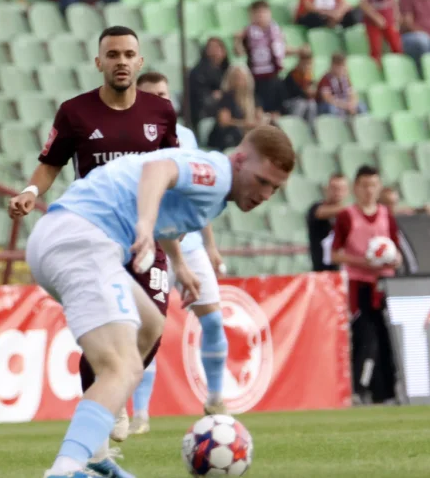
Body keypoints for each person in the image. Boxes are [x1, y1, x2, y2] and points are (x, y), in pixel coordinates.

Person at [26, 126, 293, 478]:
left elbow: (165, 203)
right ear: (241, 160)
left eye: (275, 188)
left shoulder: (215, 190)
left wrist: (179, 264)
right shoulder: (217, 173)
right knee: (121, 367)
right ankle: (65, 470)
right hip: (82, 238)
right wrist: (144, 225)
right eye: (262, 181)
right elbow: (159, 170)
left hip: (68, 235)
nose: (266, 194)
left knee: (150, 325)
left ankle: (93, 454)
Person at [7, 26, 179, 475]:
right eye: (113, 54)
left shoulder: (161, 113)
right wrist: (30, 192)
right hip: (96, 240)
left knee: (154, 326)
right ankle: (97, 445)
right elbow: (50, 165)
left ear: (140, 62)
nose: (121, 61)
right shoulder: (75, 112)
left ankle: (113, 399)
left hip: (145, 238)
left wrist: (176, 240)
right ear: (98, 62)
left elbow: (172, 175)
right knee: (104, 336)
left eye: (129, 54)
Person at [128, 73, 229, 434]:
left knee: (213, 320)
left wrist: (211, 245)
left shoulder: (185, 136)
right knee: (148, 331)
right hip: (151, 246)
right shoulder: (131, 140)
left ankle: (216, 399)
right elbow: (160, 205)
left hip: (189, 245)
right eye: (152, 95)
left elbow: (198, 195)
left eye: (164, 94)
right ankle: (140, 414)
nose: (161, 100)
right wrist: (178, 262)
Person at [332, 165, 402, 405]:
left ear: (379, 187)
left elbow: (397, 250)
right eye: (364, 185)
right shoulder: (347, 216)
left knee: (386, 336)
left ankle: (387, 391)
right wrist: (364, 262)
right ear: (356, 188)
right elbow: (335, 254)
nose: (369, 190)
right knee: (364, 335)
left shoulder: (386, 215)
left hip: (383, 283)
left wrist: (393, 259)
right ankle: (358, 388)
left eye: (373, 185)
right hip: (358, 284)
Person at [235, 0, 295, 116]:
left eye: (263, 13)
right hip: (256, 76)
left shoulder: (275, 30)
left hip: (273, 74)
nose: (261, 17)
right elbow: (239, 52)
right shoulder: (248, 32)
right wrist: (237, 40)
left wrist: (298, 50)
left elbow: (282, 50)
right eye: (257, 13)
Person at [208, 65, 265, 150]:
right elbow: (224, 122)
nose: (239, 81)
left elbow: (259, 116)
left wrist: (261, 121)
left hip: (249, 133)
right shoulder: (226, 98)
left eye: (242, 78)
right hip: (227, 136)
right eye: (236, 78)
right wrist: (245, 124)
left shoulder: (254, 98)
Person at [307, 173, 349, 271]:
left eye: (341, 189)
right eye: (334, 188)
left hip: (344, 270)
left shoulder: (349, 215)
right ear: (327, 189)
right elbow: (320, 213)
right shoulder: (316, 208)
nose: (337, 192)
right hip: (321, 271)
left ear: (347, 191)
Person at [187, 37, 230, 124]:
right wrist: (214, 96)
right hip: (205, 114)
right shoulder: (198, 72)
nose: (215, 52)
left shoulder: (228, 70)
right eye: (211, 48)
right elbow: (199, 97)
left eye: (217, 48)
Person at [282, 49, 318, 121]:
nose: (308, 66)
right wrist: (306, 92)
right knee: (301, 104)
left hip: (303, 101)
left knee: (312, 104)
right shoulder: (293, 75)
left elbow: (311, 91)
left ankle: (310, 126)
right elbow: (295, 93)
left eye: (310, 64)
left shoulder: (308, 75)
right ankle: (295, 124)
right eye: (306, 63)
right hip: (290, 102)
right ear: (300, 62)